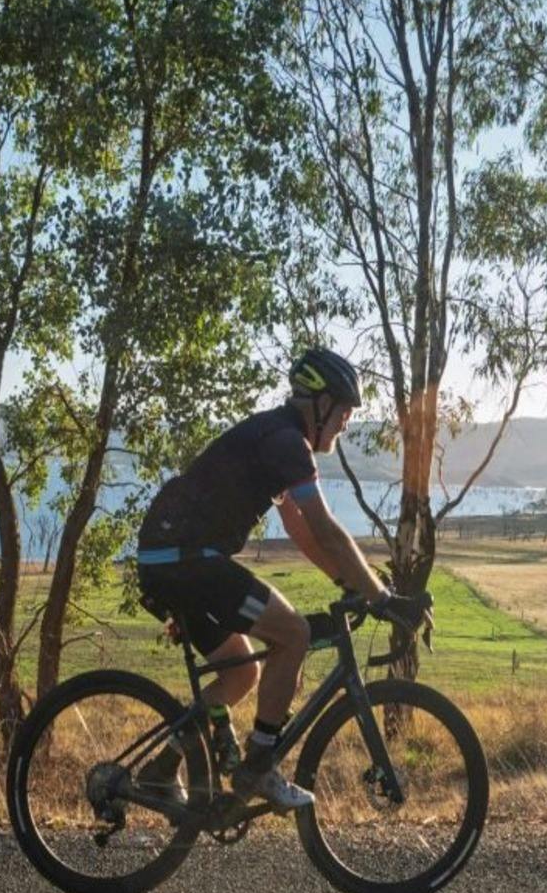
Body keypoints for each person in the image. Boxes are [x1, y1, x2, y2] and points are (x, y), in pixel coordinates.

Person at [135, 347, 429, 811]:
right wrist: (382, 595)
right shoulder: (285, 442)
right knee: (293, 634)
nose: (347, 422)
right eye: (345, 410)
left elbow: (300, 527)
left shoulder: (277, 437)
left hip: (171, 560)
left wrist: (349, 584)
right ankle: (258, 766)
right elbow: (326, 526)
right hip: (186, 560)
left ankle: (160, 770)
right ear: (320, 403)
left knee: (243, 673)